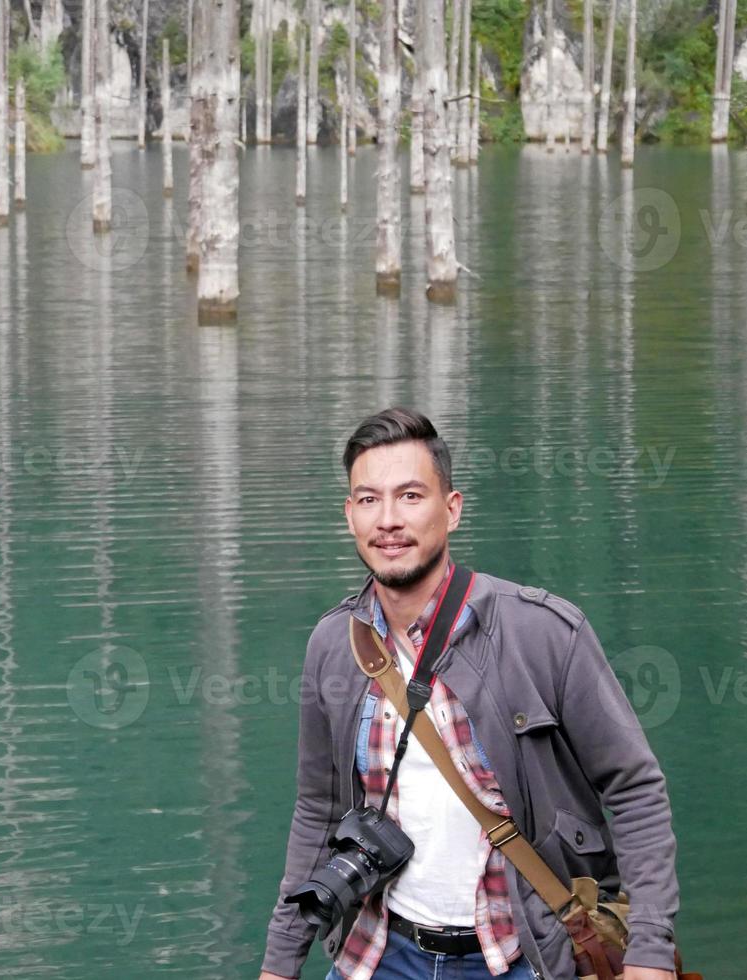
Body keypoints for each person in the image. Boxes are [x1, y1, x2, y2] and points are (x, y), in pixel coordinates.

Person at [258, 408, 680, 980]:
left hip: (524, 956)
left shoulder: (543, 632)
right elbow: (317, 810)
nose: (388, 520)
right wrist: (280, 965)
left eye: (410, 496)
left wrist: (650, 954)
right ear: (349, 515)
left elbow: (634, 789)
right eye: (368, 500)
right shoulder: (335, 644)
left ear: (451, 509)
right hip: (378, 954)